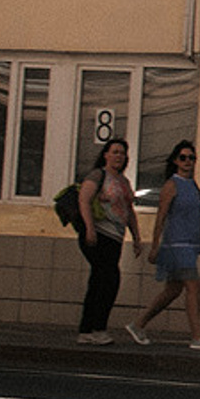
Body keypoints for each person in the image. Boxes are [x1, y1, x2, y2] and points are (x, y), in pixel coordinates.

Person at [127, 142, 200, 349]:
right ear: (175, 161)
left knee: (173, 290)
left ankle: (138, 324)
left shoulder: (192, 185)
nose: (187, 162)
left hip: (189, 242)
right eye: (183, 158)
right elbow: (161, 217)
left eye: (191, 158)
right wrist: (155, 245)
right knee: (193, 286)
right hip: (176, 243)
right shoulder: (171, 185)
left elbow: (191, 214)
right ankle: (197, 336)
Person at [73, 137, 142, 344]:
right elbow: (84, 199)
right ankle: (96, 328)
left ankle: (87, 330)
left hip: (115, 237)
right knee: (108, 280)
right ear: (106, 155)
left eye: (122, 153)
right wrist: (90, 229)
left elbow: (129, 211)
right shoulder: (98, 175)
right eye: (115, 152)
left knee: (100, 281)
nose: (119, 156)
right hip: (98, 234)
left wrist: (137, 237)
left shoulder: (123, 181)